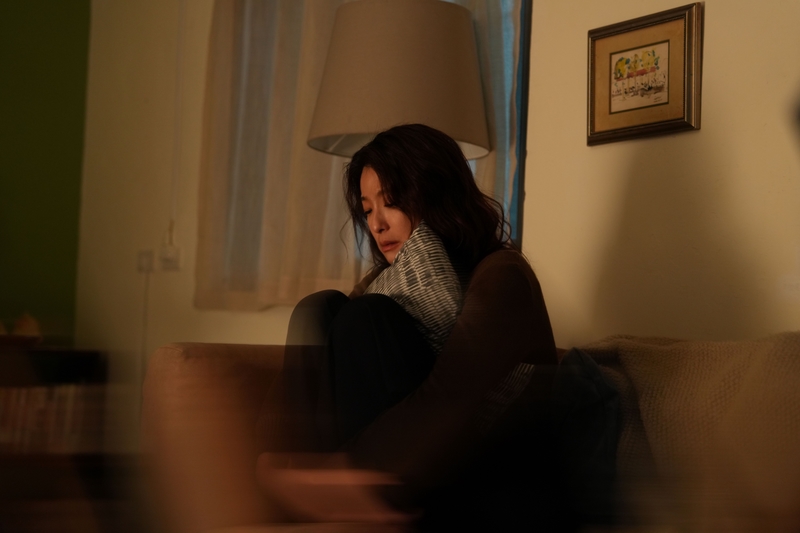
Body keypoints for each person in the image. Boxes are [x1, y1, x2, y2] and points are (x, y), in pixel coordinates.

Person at [256, 124, 560, 530]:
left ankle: (335, 493)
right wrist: (272, 459)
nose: (377, 224)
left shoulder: (503, 274)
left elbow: (450, 396)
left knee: (368, 316)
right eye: (367, 210)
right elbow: (324, 359)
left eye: (392, 202)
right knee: (320, 308)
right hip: (413, 467)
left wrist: (336, 471)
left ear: (437, 194)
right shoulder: (384, 279)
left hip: (498, 479)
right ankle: (296, 493)